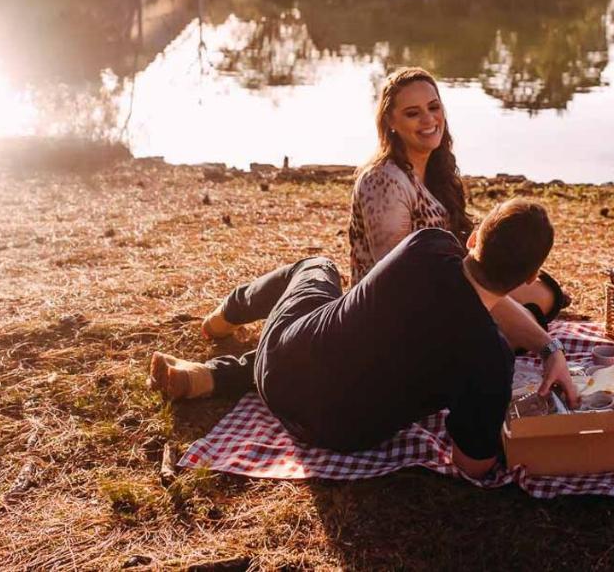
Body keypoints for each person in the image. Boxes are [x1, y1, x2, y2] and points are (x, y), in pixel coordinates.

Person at [149, 199, 578, 478]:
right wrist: (549, 349)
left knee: (318, 267)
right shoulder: (490, 359)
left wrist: (548, 348)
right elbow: (473, 464)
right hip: (335, 432)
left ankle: (225, 319)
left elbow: (478, 294)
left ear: (471, 240)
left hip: (278, 370)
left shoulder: (427, 246)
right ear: (528, 278)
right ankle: (212, 374)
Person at [344, 66, 569, 331]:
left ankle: (512, 329)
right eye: (413, 113)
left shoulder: (437, 169)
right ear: (390, 123)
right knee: (527, 300)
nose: (428, 120)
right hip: (398, 312)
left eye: (433, 107)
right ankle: (504, 332)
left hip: (448, 284)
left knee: (544, 291)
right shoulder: (384, 181)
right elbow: (396, 280)